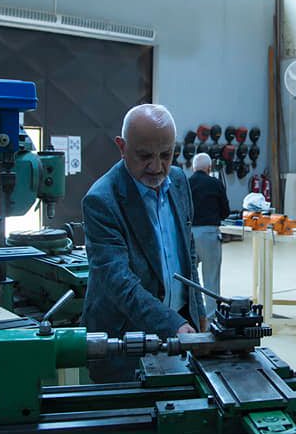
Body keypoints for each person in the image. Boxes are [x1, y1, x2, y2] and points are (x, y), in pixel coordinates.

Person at [82, 104, 207, 382]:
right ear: (122, 147)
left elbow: (188, 252)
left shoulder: (178, 181)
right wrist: (173, 324)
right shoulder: (102, 200)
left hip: (179, 329)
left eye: (166, 155)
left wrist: (198, 314)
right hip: (123, 339)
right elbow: (118, 281)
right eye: (145, 156)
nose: (157, 166)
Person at [188, 152, 231, 316]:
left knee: (189, 278)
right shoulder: (215, 184)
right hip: (209, 234)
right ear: (209, 167)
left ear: (193, 168)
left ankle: (191, 315)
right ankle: (211, 317)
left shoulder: (186, 183)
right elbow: (225, 211)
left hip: (189, 234)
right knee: (211, 278)